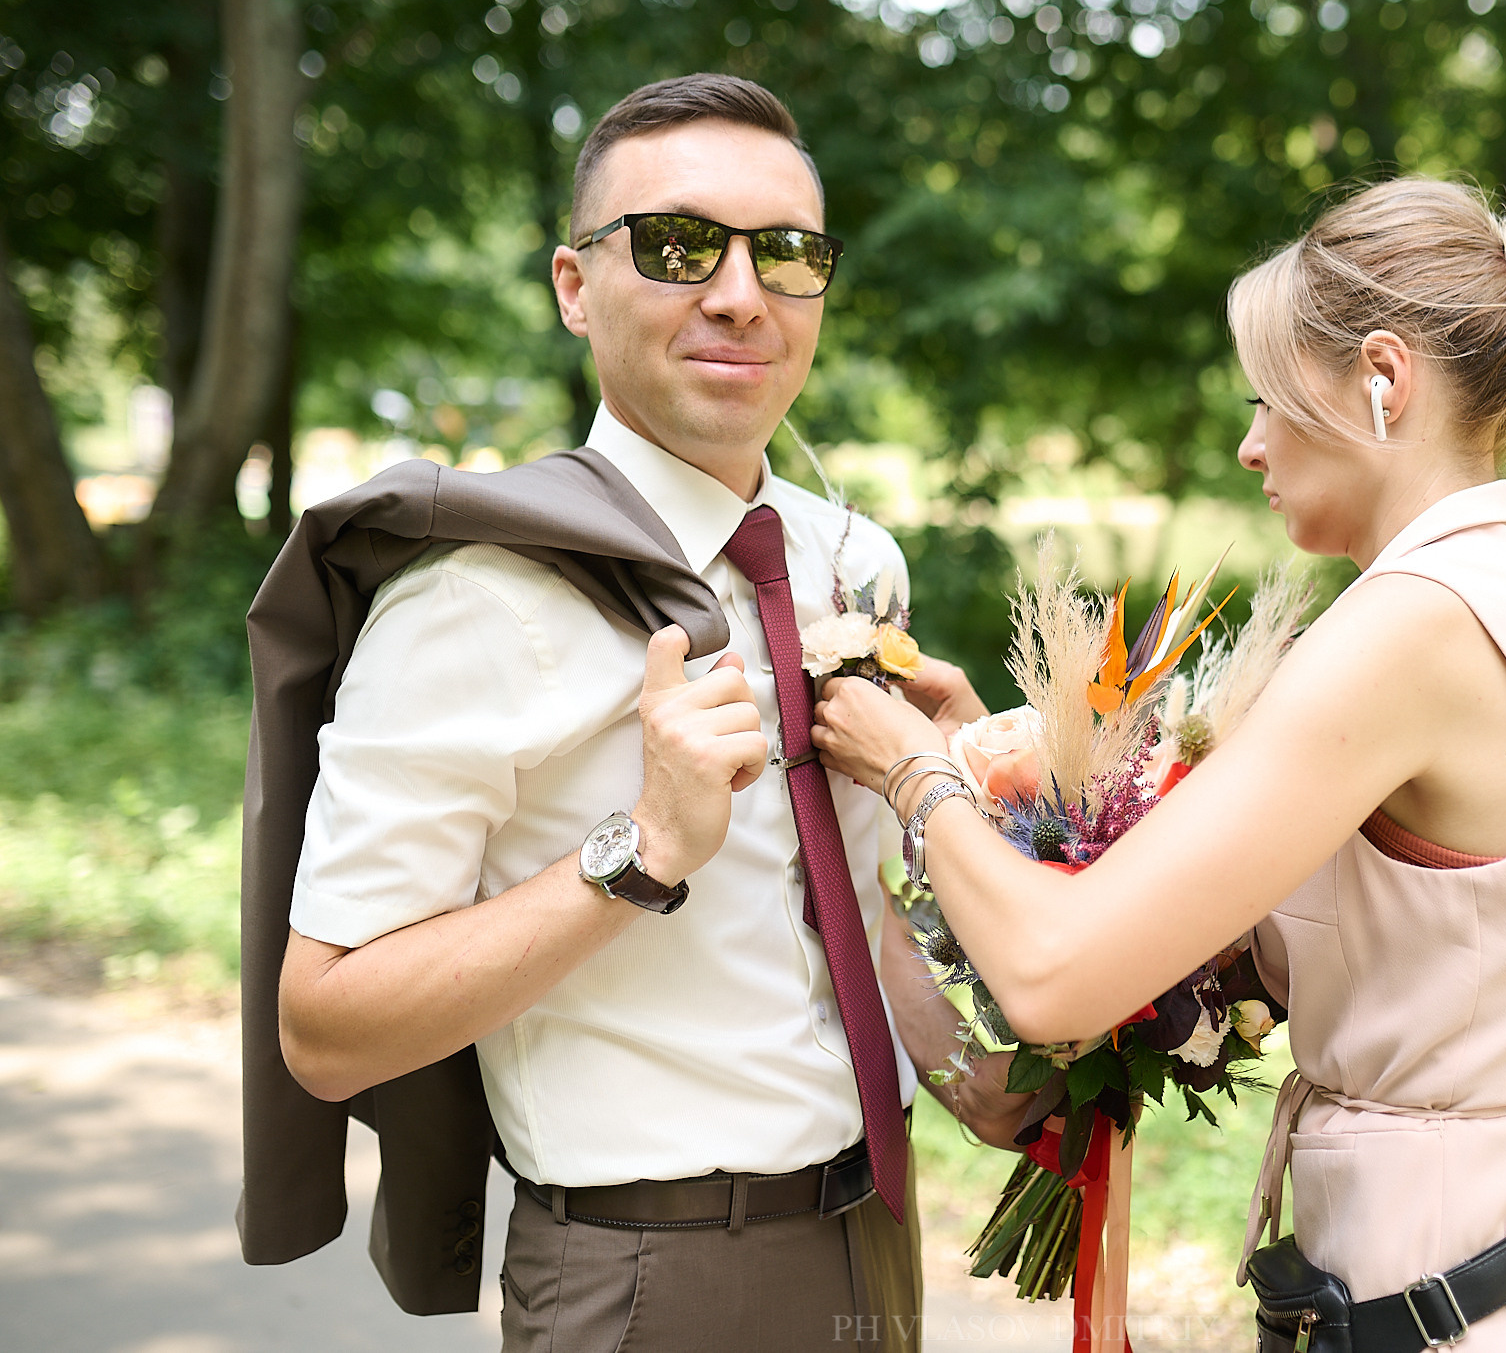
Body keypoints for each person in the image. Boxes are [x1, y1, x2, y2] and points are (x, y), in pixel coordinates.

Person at [812, 177, 1506, 1350]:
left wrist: (911, 771)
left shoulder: (1410, 628)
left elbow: (1057, 971)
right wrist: (994, 761)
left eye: (1268, 398)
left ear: (1383, 381)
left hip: (1458, 1306)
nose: (1248, 443)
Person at [266, 74, 1024, 1353]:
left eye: (785, 254)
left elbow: (843, 908)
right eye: (678, 247)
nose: (739, 294)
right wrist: (640, 852)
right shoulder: (475, 600)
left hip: (876, 1239)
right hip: (644, 1279)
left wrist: (981, 1063)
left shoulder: (854, 562)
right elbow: (324, 1026)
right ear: (574, 285)